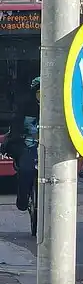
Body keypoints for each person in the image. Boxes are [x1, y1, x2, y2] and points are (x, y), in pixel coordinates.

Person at [3, 78, 40, 211]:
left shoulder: (56, 109)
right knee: (26, 169)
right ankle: (23, 199)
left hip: (49, 148)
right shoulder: (25, 107)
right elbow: (15, 127)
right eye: (39, 92)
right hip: (27, 145)